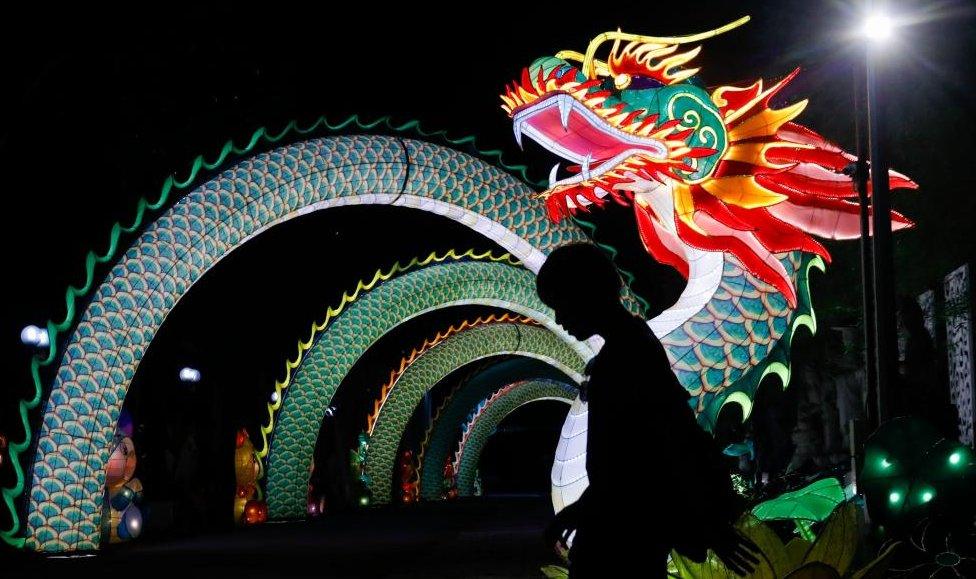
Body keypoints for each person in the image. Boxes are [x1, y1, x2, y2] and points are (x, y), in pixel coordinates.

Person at [538, 244, 759, 577]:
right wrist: (579, 511)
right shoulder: (628, 347)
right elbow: (623, 462)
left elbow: (666, 444)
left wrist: (712, 525)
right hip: (620, 530)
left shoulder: (628, 355)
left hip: (625, 539)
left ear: (585, 294)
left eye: (561, 304)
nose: (559, 319)